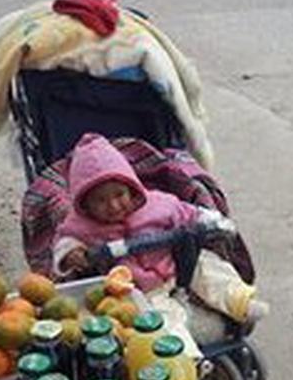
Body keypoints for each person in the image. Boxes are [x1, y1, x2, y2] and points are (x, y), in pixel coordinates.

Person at [54, 132, 268, 349]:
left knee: (208, 265)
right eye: (101, 200)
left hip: (177, 263)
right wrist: (71, 254)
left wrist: (213, 221)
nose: (113, 206)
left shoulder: (157, 204)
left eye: (119, 195)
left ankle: (240, 301)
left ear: (132, 188)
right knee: (163, 320)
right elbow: (65, 240)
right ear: (85, 204)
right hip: (139, 287)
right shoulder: (82, 225)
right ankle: (188, 360)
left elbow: (188, 212)